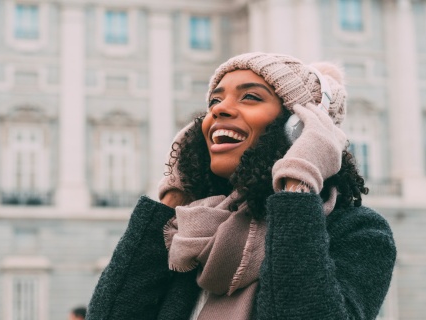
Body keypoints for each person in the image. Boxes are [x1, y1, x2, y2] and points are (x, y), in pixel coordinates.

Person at [86, 52, 396, 320]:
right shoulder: (191, 234)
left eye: (250, 96)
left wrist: (298, 181)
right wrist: (174, 195)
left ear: (298, 128)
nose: (218, 110)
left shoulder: (359, 231)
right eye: (215, 101)